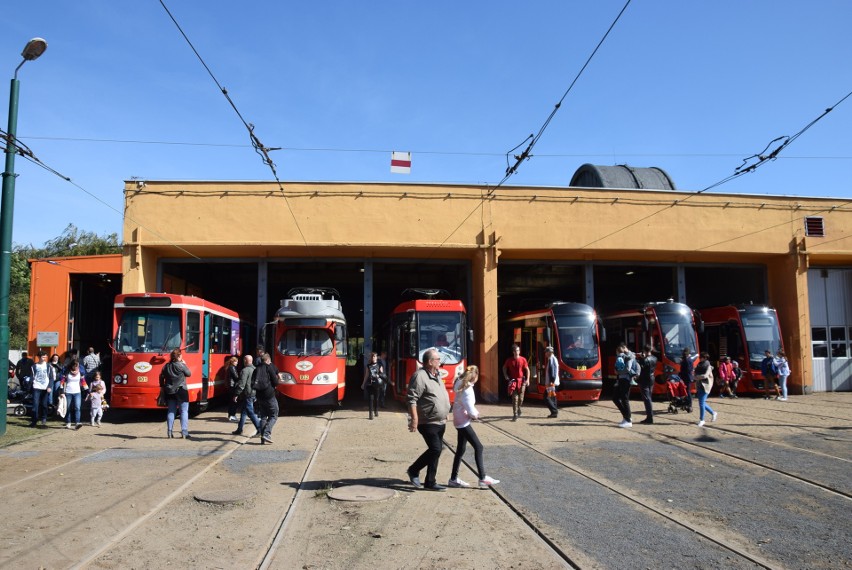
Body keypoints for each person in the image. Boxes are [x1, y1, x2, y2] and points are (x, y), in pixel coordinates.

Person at [406, 348, 451, 491]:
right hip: (427, 421)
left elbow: (440, 394)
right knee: (436, 449)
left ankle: (430, 481)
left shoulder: (436, 375)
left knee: (436, 451)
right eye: (437, 359)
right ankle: (413, 470)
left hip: (440, 421)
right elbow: (412, 399)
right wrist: (414, 419)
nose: (440, 361)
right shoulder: (419, 376)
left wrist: (445, 410)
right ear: (430, 362)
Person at [448, 365, 500, 488]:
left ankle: (453, 479)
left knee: (461, 449)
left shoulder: (460, 384)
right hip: (463, 422)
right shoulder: (468, 390)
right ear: (475, 376)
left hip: (458, 420)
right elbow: (470, 409)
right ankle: (482, 478)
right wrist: (476, 415)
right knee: (479, 447)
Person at [160, 348, 192, 439]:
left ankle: (169, 432)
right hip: (181, 390)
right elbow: (189, 374)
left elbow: (161, 376)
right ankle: (184, 432)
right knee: (184, 411)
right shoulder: (181, 365)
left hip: (169, 391)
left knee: (171, 411)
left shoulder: (166, 366)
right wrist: (184, 363)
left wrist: (162, 385)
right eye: (181, 355)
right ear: (179, 356)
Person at [252, 353, 280, 444]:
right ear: (268, 360)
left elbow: (252, 382)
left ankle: (262, 437)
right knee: (274, 415)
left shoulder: (256, 369)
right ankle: (267, 434)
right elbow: (275, 382)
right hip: (269, 395)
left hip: (259, 396)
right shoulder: (269, 368)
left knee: (263, 416)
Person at [232, 354, 260, 437]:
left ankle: (260, 429)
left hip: (247, 394)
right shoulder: (255, 369)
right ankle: (239, 429)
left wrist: (236, 394)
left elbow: (242, 384)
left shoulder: (245, 370)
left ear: (245, 361)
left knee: (250, 412)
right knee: (244, 412)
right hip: (253, 392)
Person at [502, 344, 530, 421]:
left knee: (521, 399)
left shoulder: (523, 359)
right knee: (515, 398)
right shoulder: (509, 360)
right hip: (513, 381)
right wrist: (506, 375)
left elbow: (527, 369)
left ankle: (519, 408)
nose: (517, 352)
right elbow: (504, 368)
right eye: (515, 351)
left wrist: (528, 380)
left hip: (522, 381)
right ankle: (515, 414)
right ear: (513, 352)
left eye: (518, 350)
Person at [612, 343, 636, 428]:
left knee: (624, 399)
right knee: (616, 398)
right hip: (621, 380)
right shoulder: (620, 357)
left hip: (626, 380)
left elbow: (628, 369)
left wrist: (618, 372)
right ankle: (626, 416)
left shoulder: (629, 357)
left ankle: (628, 419)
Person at [28, 351, 54, 428]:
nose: (44, 358)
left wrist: (49, 386)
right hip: (36, 386)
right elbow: (32, 377)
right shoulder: (34, 366)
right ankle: (34, 420)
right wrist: (30, 386)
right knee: (35, 405)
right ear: (39, 357)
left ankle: (44, 418)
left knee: (44, 405)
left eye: (45, 357)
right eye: (43, 357)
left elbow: (51, 378)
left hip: (45, 388)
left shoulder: (48, 366)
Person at [694, 352, 718, 427]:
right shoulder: (699, 365)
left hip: (706, 386)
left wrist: (696, 377)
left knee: (701, 403)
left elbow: (705, 376)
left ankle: (702, 420)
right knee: (702, 402)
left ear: (704, 358)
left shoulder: (708, 366)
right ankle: (713, 413)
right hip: (699, 385)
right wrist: (696, 376)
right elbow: (695, 374)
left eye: (701, 357)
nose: (699, 359)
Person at [62, 360, 87, 430]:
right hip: (68, 391)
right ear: (72, 366)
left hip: (77, 392)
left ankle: (77, 423)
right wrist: (61, 391)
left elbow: (83, 382)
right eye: (75, 366)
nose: (76, 367)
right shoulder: (67, 372)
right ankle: (68, 422)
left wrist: (88, 391)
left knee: (77, 407)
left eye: (78, 366)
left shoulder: (80, 373)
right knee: (68, 408)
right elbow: (62, 381)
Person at [360, 352, 385, 420]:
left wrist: (378, 375)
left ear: (377, 357)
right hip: (370, 384)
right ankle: (370, 414)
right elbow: (366, 375)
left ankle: (376, 410)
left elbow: (382, 375)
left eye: (374, 356)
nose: (373, 358)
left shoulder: (379, 365)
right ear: (371, 358)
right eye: (372, 357)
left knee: (376, 399)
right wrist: (363, 384)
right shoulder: (368, 366)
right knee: (371, 399)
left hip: (377, 384)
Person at [637, 344, 657, 424]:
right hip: (651, 378)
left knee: (646, 398)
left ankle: (649, 417)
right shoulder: (655, 358)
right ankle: (649, 416)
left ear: (644, 350)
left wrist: (641, 357)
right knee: (649, 397)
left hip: (644, 379)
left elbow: (639, 366)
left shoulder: (644, 360)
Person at [543, 346, 559, 418]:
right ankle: (554, 413)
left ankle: (554, 411)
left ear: (549, 352)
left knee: (546, 397)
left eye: (546, 352)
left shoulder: (551, 359)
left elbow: (552, 370)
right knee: (552, 397)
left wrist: (551, 381)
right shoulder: (553, 358)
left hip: (551, 383)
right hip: (553, 382)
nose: (545, 353)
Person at [226, 355, 240, 422]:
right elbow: (236, 377)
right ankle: (232, 415)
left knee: (231, 401)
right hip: (233, 386)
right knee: (234, 401)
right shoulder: (232, 368)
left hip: (231, 386)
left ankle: (230, 415)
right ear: (233, 362)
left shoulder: (230, 367)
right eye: (236, 362)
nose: (237, 363)